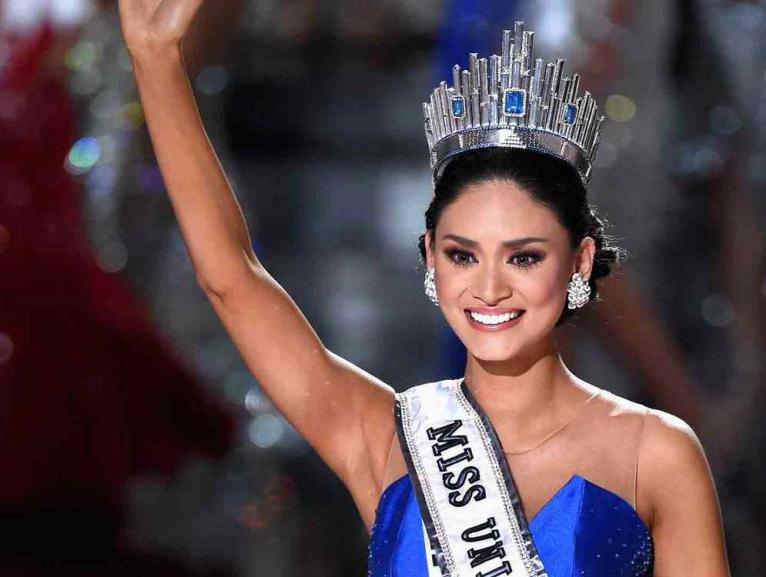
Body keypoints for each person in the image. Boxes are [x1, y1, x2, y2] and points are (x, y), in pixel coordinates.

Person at [117, 1, 731, 575]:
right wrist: (156, 60)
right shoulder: (386, 440)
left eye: (523, 257)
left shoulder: (656, 454)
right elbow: (230, 277)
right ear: (432, 262)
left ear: (580, 262)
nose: (490, 288)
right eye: (463, 255)